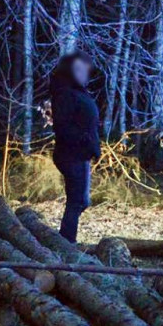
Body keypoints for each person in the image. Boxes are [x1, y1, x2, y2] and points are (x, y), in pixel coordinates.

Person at [49, 52, 101, 243]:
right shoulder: (65, 93)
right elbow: (62, 126)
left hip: (80, 154)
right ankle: (66, 242)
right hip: (71, 154)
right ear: (70, 70)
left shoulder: (77, 91)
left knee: (81, 201)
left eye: (85, 69)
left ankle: (66, 239)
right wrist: (84, 139)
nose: (84, 73)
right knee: (77, 201)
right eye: (78, 69)